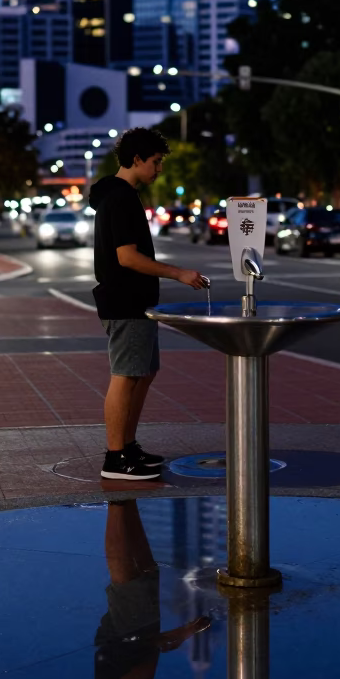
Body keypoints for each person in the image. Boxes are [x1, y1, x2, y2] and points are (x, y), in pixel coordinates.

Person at [89, 126, 207, 481]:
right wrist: (179, 273)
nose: (159, 170)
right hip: (126, 300)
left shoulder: (119, 194)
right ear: (137, 159)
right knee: (125, 376)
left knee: (143, 372)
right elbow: (127, 257)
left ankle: (127, 446)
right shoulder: (121, 197)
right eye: (155, 162)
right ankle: (115, 457)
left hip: (134, 301)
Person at [95, 499, 210, 679]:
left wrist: (180, 633)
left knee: (130, 583)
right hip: (128, 648)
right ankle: (125, 502)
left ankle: (119, 503)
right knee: (144, 574)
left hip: (126, 645)